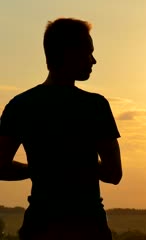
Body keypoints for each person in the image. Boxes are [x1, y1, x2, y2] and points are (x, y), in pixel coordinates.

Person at [0, 18, 122, 240]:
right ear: (69, 54)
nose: (94, 60)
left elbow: (0, 166)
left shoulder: (20, 105)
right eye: (89, 52)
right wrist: (81, 162)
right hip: (88, 226)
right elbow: (114, 173)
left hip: (39, 225)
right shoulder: (96, 106)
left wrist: (38, 168)